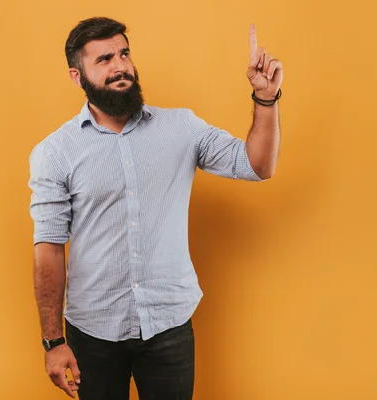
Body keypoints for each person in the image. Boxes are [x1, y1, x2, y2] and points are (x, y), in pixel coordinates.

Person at [28, 16, 282, 400]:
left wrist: (265, 98)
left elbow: (258, 164)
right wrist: (52, 341)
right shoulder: (55, 152)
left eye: (124, 54)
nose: (120, 67)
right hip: (93, 333)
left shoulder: (181, 128)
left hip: (169, 326)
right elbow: (48, 248)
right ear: (77, 77)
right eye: (104, 60)